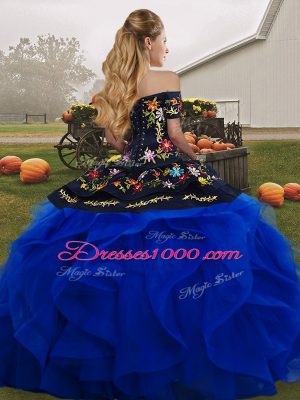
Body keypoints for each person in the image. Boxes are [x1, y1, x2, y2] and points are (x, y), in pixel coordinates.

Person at [1, 8, 300, 400]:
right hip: (169, 169)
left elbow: (110, 137)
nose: (167, 47)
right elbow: (175, 133)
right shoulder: (166, 78)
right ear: (148, 41)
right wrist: (192, 161)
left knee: (113, 255)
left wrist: (129, 153)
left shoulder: (117, 81)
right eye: (163, 40)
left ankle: (119, 351)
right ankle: (186, 353)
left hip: (127, 168)